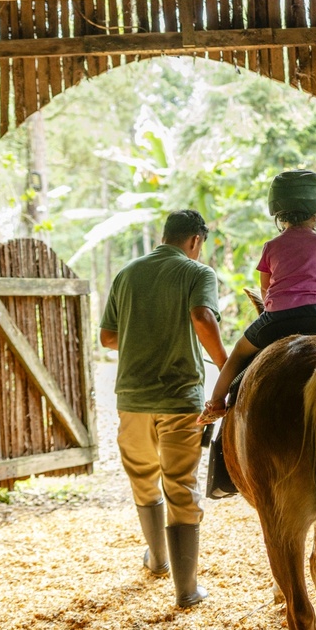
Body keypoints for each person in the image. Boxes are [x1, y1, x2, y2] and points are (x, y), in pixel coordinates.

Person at [100, 209, 227, 608]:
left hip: (133, 399)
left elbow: (107, 338)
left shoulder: (127, 273)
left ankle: (156, 560)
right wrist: (227, 366)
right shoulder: (197, 273)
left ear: (165, 236)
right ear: (195, 241)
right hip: (178, 398)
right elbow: (202, 317)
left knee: (143, 478)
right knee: (180, 485)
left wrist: (146, 337)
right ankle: (186, 590)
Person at [198, 170, 316, 425]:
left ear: (279, 215)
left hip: (277, 319)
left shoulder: (271, 246)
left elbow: (265, 289)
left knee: (238, 353)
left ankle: (216, 403)